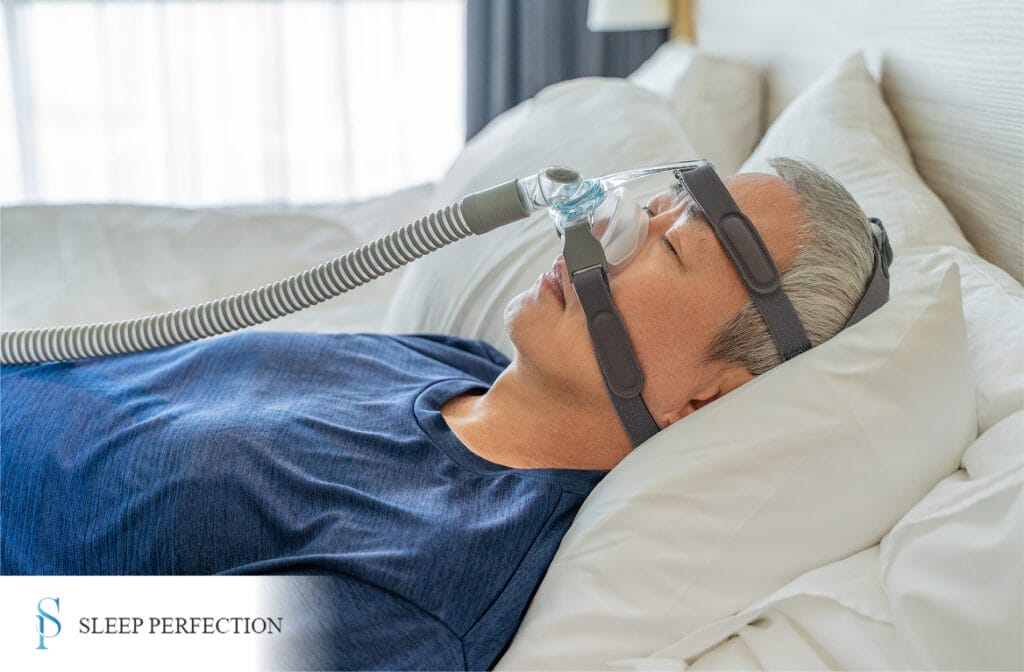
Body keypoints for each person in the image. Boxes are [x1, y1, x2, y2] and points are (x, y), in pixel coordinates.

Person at [0, 158, 876, 670]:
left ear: (707, 399)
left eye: (671, 249)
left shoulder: (424, 592)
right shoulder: (457, 365)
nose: (610, 235)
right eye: (650, 210)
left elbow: (59, 645)